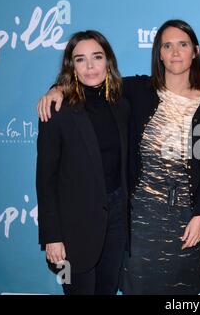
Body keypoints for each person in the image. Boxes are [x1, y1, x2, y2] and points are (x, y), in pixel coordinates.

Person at [37, 20, 200, 295]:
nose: (174, 52)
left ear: (195, 51)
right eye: (166, 45)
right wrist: (57, 89)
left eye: (182, 45)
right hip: (139, 219)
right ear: (158, 53)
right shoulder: (138, 92)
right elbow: (91, 82)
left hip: (183, 221)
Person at [36, 30, 130, 295]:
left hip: (115, 221)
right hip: (73, 228)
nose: (90, 66)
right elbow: (46, 178)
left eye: (97, 57)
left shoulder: (121, 104)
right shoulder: (56, 110)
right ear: (71, 65)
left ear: (108, 62)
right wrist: (52, 237)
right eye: (80, 59)